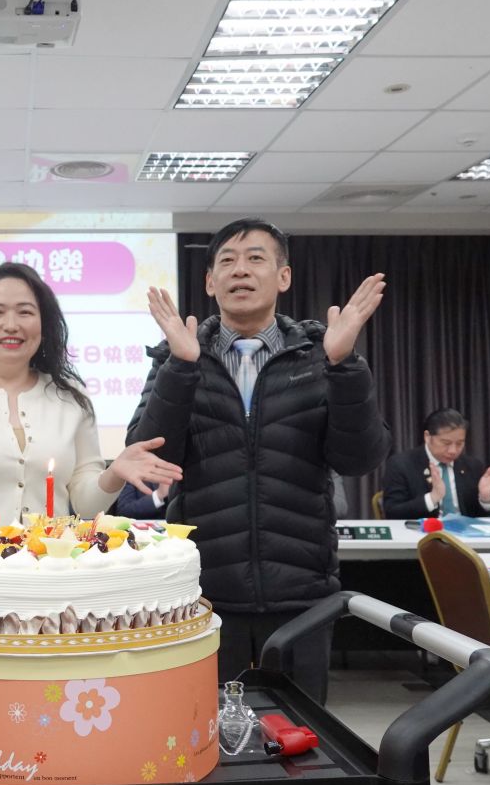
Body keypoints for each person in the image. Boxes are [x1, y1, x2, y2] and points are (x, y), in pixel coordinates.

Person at [128, 217, 390, 704]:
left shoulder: (321, 355)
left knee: (301, 731)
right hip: (205, 592)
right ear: (210, 282)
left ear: (283, 276)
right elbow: (149, 456)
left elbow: (359, 458)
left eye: (255, 259)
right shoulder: (177, 357)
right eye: (227, 261)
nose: (240, 270)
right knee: (205, 728)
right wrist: (181, 368)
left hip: (302, 592)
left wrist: (344, 366)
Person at [0, 262, 182, 529]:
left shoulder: (71, 397)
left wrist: (114, 473)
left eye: (25, 312)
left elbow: (86, 505)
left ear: (43, 326)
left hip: (49, 564)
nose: (11, 325)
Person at [381, 408, 490, 519]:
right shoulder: (401, 464)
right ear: (427, 437)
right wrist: (432, 498)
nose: (453, 450)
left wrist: (485, 498)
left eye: (459, 443)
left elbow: (488, 520)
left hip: (466, 538)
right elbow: (392, 512)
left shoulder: (473, 466)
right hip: (423, 537)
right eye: (446, 443)